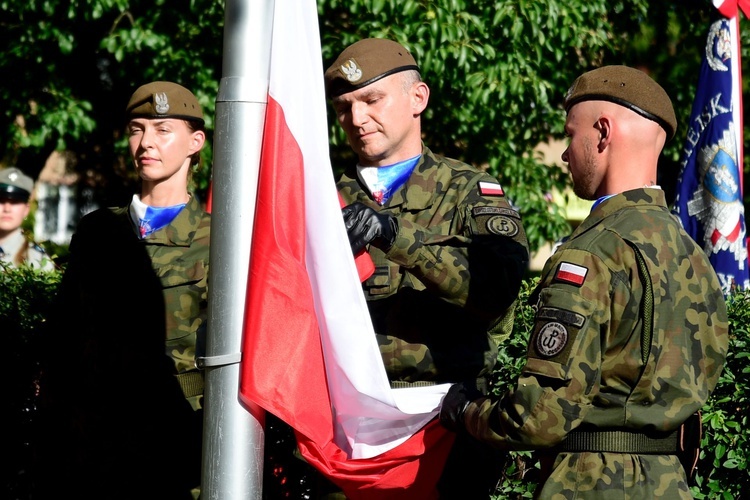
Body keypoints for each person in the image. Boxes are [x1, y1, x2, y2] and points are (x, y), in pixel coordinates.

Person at [439, 65, 729, 498]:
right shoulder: (694, 255)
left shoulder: (590, 253)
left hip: (589, 483)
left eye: (570, 135)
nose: (564, 153)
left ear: (603, 132)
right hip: (671, 484)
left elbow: (541, 417)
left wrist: (466, 412)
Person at [322, 38, 530, 498]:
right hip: (344, 435)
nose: (356, 120)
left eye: (372, 100)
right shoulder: (318, 199)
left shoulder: (471, 194)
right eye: (343, 108)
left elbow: (494, 292)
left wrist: (394, 235)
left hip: (446, 426)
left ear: (418, 99)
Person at [35, 81, 210, 499]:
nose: (146, 142)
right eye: (136, 129)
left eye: (163, 129)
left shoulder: (219, 238)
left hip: (176, 451)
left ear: (195, 142)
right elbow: (63, 344)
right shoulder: (97, 231)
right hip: (92, 453)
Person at [0, 167, 55, 271]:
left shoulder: (38, 259)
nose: (7, 209)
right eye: (1, 201)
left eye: (15, 202)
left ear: (26, 210)